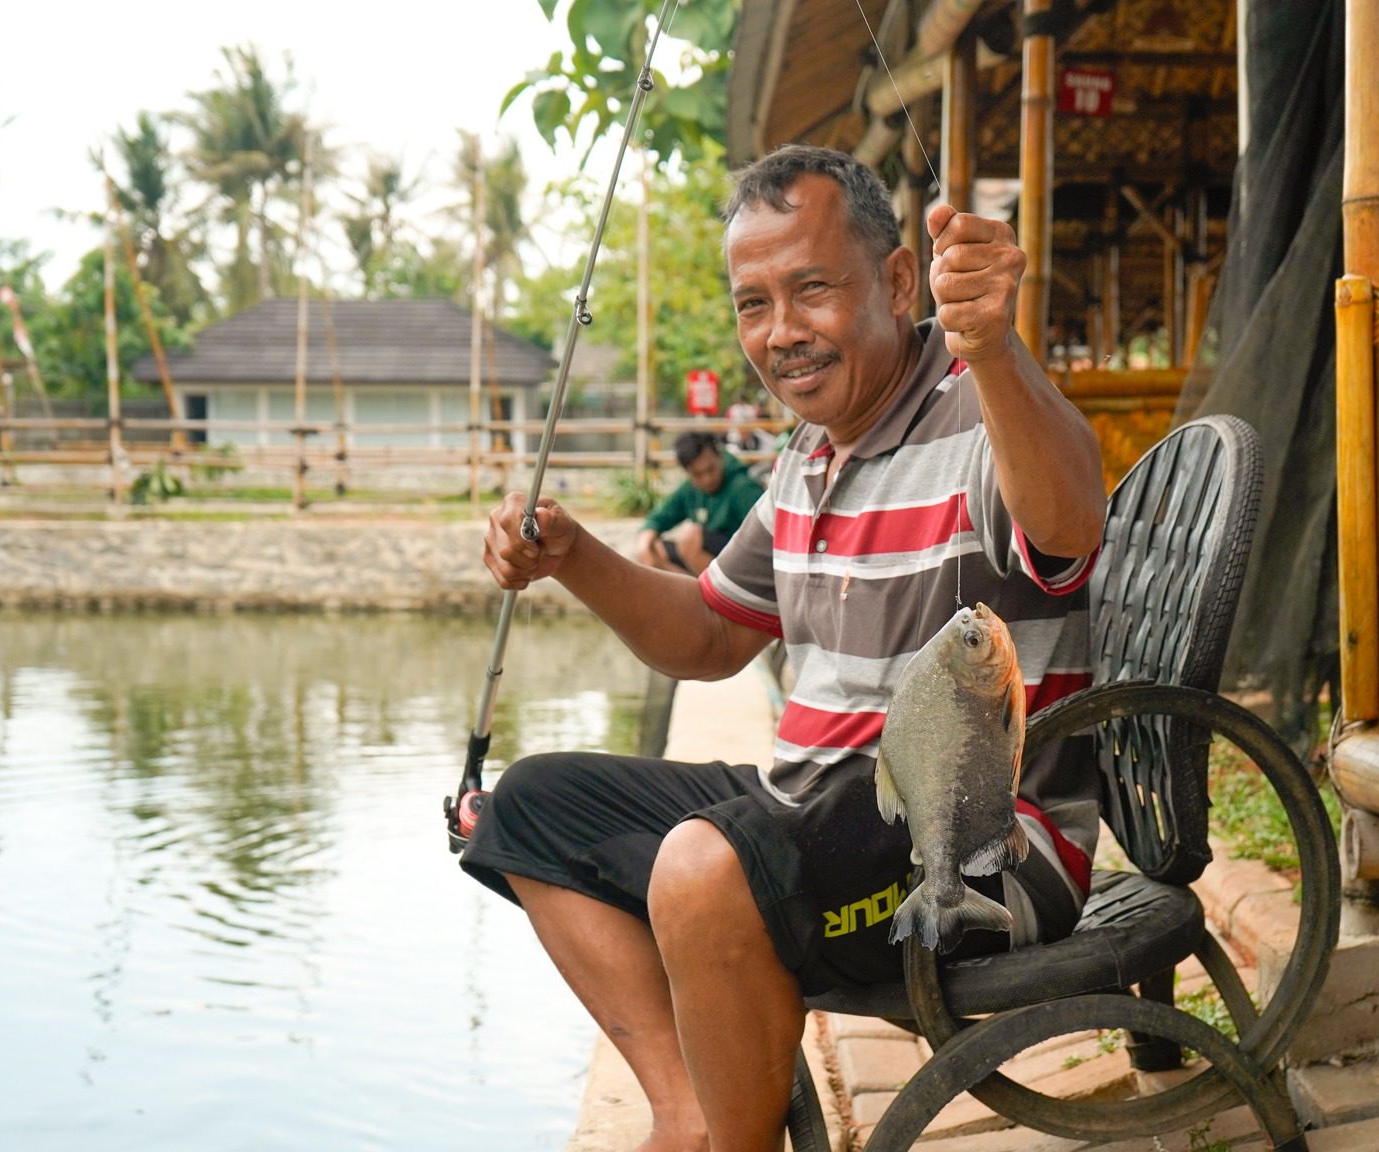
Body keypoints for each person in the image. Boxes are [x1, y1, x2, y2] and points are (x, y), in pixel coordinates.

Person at [470, 145, 1106, 1152]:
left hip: (973, 837)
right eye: (752, 303)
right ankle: (685, 1112)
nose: (780, 333)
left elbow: (1069, 520)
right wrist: (574, 554)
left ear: (898, 282)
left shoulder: (975, 406)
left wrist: (995, 348)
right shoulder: (808, 452)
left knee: (701, 867)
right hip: (814, 805)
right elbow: (714, 633)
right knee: (527, 808)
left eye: (811, 289)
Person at [636, 431, 766, 576]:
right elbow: (658, 518)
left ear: (720, 457)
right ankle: (694, 589)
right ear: (687, 472)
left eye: (711, 469)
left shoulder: (743, 487)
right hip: (707, 560)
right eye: (697, 474)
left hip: (740, 562)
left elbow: (763, 539)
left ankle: (717, 593)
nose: (707, 479)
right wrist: (645, 544)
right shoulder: (690, 489)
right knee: (656, 549)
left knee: (690, 537)